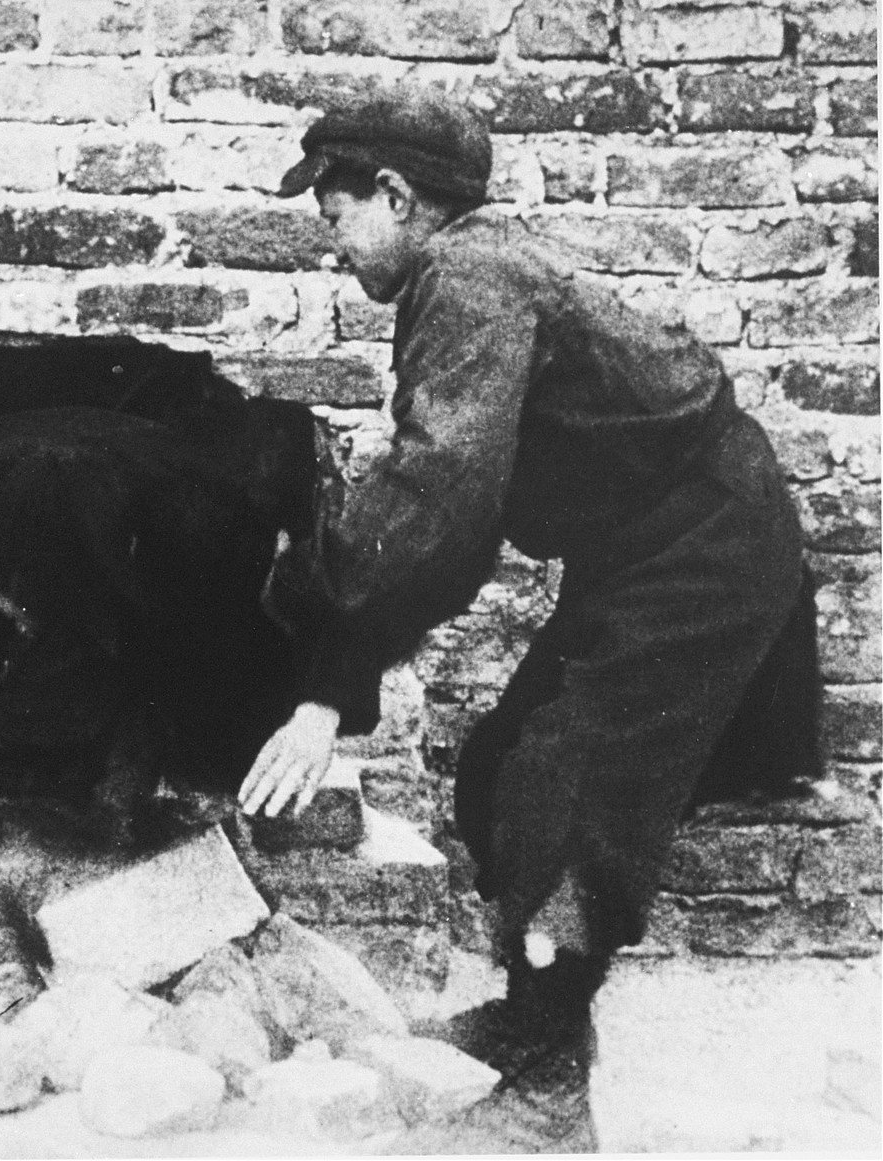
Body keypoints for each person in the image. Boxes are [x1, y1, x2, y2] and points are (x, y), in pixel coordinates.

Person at [239, 83, 820, 1151]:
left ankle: (550, 1099)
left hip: (705, 546)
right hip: (651, 542)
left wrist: (320, 671)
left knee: (568, 784)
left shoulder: (467, 282)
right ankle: (532, 1015)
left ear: (398, 196)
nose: (333, 246)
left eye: (335, 216)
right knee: (498, 766)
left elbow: (438, 498)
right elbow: (454, 514)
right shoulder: (471, 269)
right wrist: (335, 671)